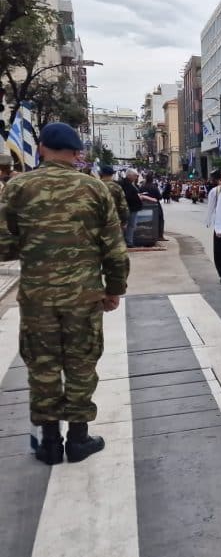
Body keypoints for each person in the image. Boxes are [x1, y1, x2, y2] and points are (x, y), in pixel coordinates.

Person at [0, 123, 129, 465]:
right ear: (76, 153)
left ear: (40, 148)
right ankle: (79, 438)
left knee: (42, 366)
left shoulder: (17, 188)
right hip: (84, 297)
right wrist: (114, 289)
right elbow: (115, 249)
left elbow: (3, 246)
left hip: (37, 297)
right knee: (81, 363)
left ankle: (49, 443)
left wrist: (34, 245)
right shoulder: (96, 189)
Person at [99, 165, 129, 230]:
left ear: (101, 173)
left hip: (98, 220)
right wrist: (124, 221)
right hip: (114, 220)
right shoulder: (117, 187)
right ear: (112, 174)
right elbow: (123, 206)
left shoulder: (95, 185)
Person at [120, 169, 143, 247]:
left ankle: (127, 241)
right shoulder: (125, 184)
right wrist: (137, 197)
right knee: (130, 225)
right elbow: (128, 196)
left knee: (131, 225)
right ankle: (128, 242)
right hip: (130, 207)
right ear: (129, 175)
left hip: (132, 207)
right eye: (135, 176)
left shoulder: (130, 183)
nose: (136, 177)